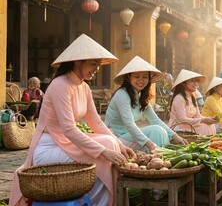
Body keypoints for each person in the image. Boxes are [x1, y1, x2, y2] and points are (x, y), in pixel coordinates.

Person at [9, 34, 136, 206]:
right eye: (93, 64)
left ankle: (106, 202)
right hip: (48, 148)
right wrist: (103, 151)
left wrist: (120, 145)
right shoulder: (60, 84)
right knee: (105, 148)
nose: (97, 69)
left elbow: (96, 123)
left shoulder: (84, 87)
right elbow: (69, 129)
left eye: (98, 65)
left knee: (109, 142)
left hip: (67, 144)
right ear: (78, 62)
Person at [105, 56, 188, 153]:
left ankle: (160, 159)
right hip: (115, 137)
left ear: (149, 79)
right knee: (156, 131)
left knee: (160, 130)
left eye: (145, 77)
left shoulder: (140, 96)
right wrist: (149, 143)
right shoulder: (122, 94)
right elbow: (130, 124)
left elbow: (155, 120)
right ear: (128, 77)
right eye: (136, 76)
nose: (141, 80)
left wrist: (175, 136)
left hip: (129, 135)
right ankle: (157, 158)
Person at [168, 69, 217, 135]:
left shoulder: (192, 97)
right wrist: (202, 120)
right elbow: (182, 120)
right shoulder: (179, 98)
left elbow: (197, 115)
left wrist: (209, 119)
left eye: (197, 81)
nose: (196, 83)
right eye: (192, 81)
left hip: (189, 125)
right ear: (183, 83)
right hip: (179, 126)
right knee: (205, 127)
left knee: (210, 125)